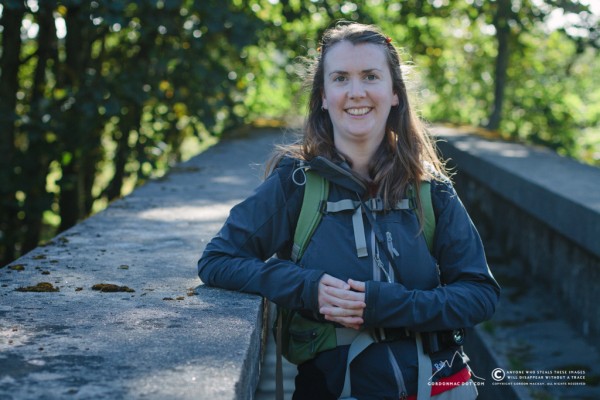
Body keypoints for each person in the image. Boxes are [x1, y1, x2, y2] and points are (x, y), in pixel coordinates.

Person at [198, 22, 500, 400]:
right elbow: (216, 260)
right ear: (323, 95)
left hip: (438, 387)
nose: (356, 92)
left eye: (370, 76)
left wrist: (384, 304)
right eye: (341, 78)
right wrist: (306, 288)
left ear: (394, 93)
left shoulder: (431, 188)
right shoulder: (295, 184)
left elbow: (480, 294)